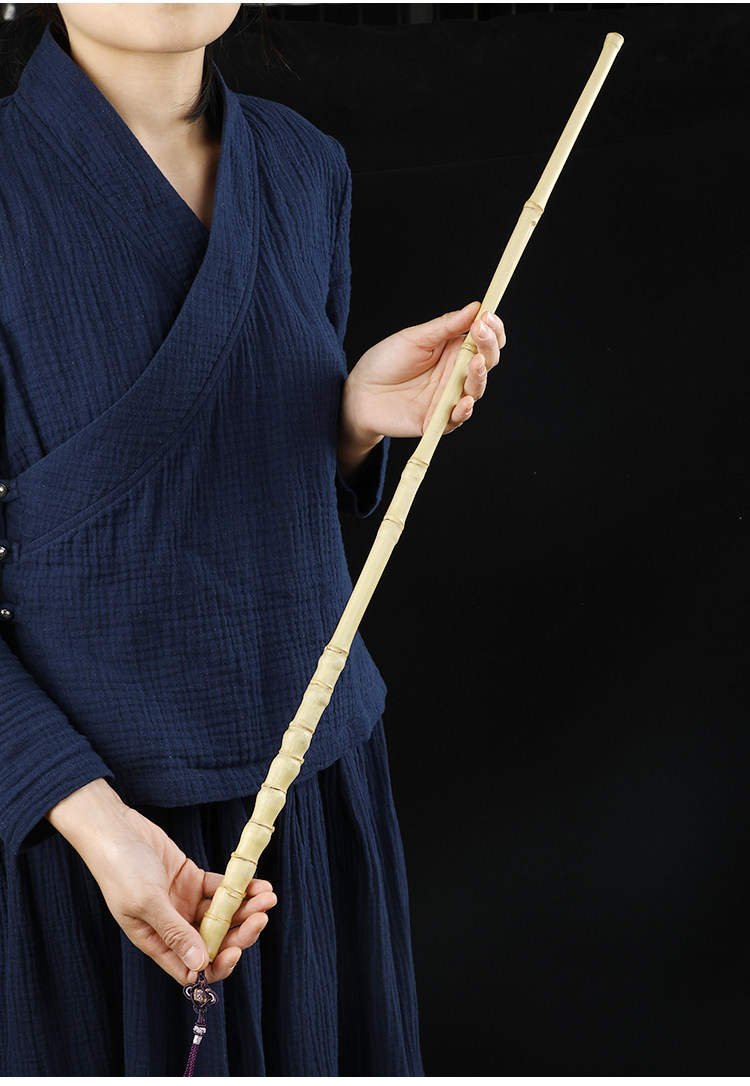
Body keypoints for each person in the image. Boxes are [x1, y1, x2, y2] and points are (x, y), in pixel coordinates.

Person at [0, 3, 504, 1076]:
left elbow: (233, 498)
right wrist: (89, 819)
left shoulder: (304, 165)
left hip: (312, 793)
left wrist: (348, 421)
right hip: (79, 828)